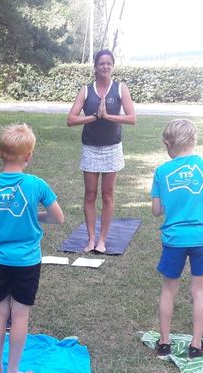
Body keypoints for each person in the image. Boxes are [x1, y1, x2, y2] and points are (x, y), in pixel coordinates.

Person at [0, 123, 64, 373]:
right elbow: (58, 218)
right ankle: (12, 372)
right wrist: (35, 215)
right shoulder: (36, 184)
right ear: (29, 156)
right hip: (26, 261)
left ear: (0, 152)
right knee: (20, 315)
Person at [150, 119, 203, 359]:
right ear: (194, 140)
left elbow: (156, 210)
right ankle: (196, 345)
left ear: (167, 143)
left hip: (174, 239)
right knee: (199, 291)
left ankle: (164, 343)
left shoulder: (162, 171)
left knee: (169, 289)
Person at [66, 49, 136, 254]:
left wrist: (108, 116)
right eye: (101, 63)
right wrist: (95, 116)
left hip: (112, 148)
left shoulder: (120, 88)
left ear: (112, 66)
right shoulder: (86, 90)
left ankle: (102, 240)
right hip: (90, 148)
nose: (105, 67)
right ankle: (90, 239)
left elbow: (132, 118)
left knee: (107, 194)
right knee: (90, 194)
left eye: (108, 63)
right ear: (95, 67)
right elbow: (71, 120)